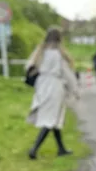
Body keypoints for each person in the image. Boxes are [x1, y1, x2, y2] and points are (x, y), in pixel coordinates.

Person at [26, 27, 79, 160]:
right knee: (51, 119)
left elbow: (29, 66)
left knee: (54, 117)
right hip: (54, 85)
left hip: (41, 85)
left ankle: (61, 148)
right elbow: (67, 73)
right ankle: (34, 149)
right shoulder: (59, 54)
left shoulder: (40, 52)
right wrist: (75, 89)